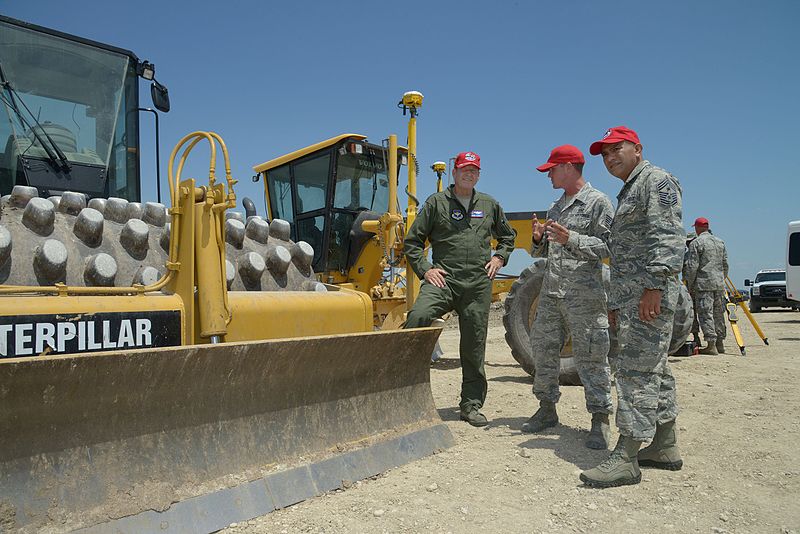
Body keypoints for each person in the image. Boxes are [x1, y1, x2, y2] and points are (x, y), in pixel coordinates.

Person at [580, 126, 685, 488]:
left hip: (648, 298)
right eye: (604, 154)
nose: (610, 159)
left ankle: (626, 456)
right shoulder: (630, 190)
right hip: (633, 299)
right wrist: (616, 302)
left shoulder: (655, 182)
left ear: (637, 149)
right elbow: (623, 253)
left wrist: (654, 286)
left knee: (635, 373)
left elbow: (668, 236)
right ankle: (664, 444)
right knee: (656, 369)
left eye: (616, 150)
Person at [403, 151, 516, 427]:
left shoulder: (489, 204)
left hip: (477, 283)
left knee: (474, 345)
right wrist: (425, 269)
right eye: (464, 169)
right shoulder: (436, 203)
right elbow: (412, 242)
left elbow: (508, 236)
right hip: (445, 279)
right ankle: (401, 388)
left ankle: (471, 405)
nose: (469, 173)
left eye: (474, 170)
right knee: (418, 317)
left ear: (478, 174)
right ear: (454, 172)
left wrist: (500, 257)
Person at [522, 144, 615, 449]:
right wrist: (538, 240)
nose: (548, 174)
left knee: (591, 355)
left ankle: (600, 420)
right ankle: (547, 409)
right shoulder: (555, 207)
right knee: (543, 349)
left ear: (569, 167)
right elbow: (548, 251)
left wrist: (570, 237)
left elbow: (609, 247)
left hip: (584, 295)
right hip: (552, 293)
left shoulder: (598, 203)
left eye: (552, 169)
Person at [684, 217, 729, 355]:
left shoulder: (697, 243)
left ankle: (711, 345)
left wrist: (688, 284)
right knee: (718, 314)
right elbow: (725, 265)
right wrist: (721, 278)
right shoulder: (720, 242)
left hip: (703, 285)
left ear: (697, 228)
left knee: (705, 313)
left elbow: (692, 266)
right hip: (719, 284)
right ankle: (720, 343)